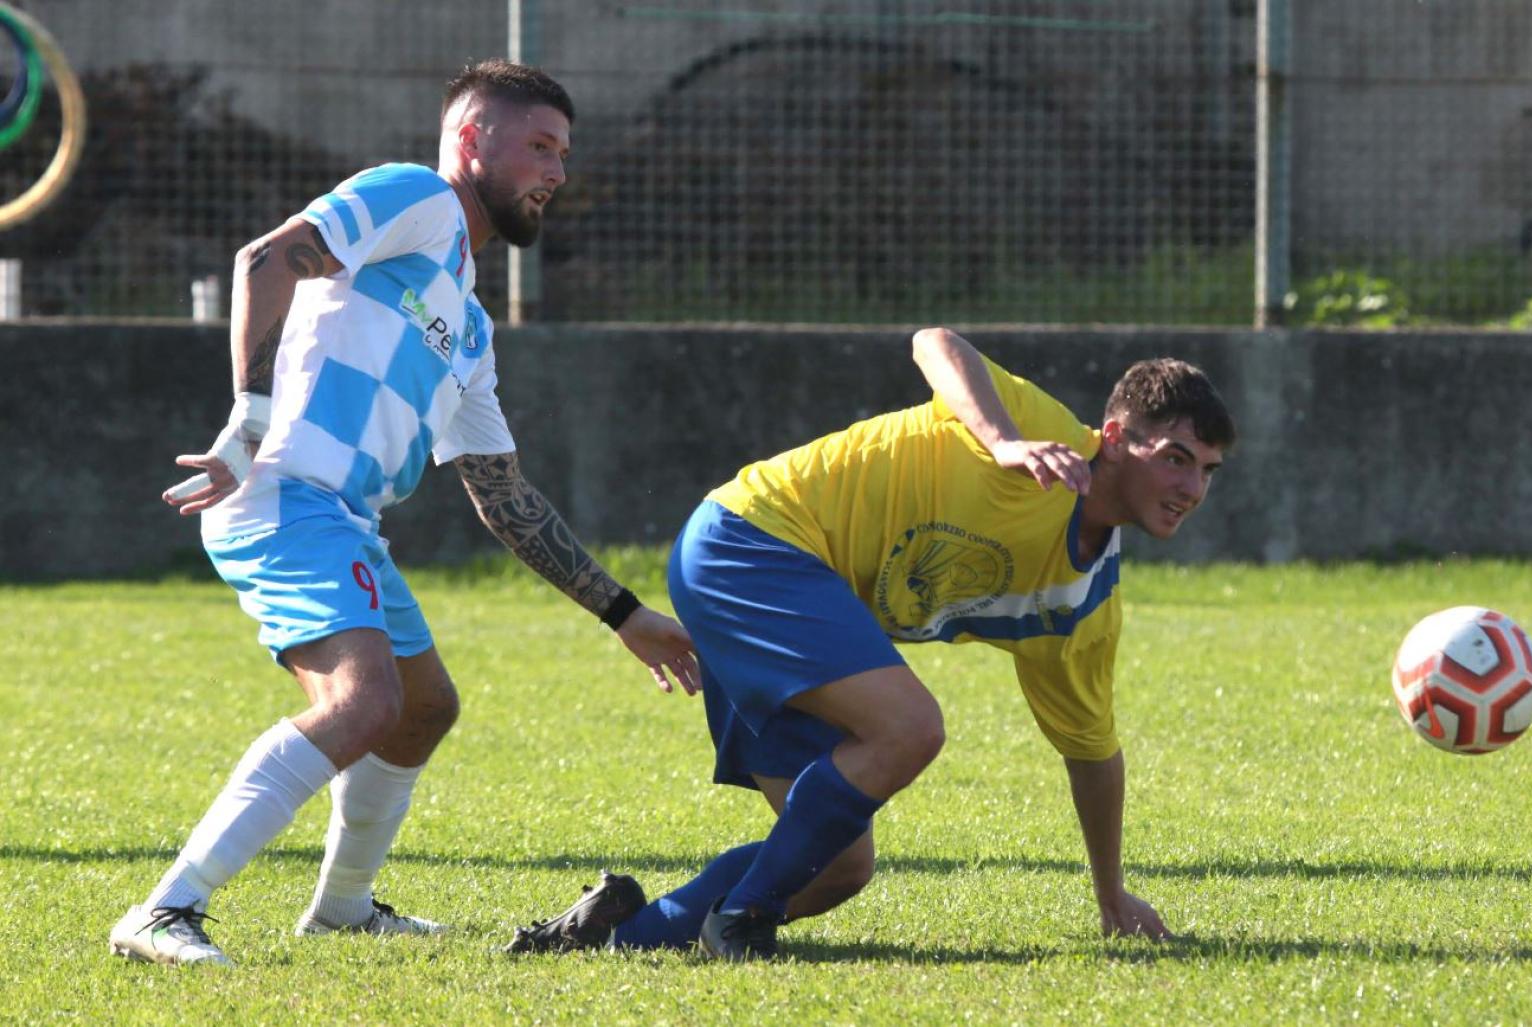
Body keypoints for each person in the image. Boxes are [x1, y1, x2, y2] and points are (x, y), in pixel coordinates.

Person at [109, 59, 699, 968]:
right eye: (539, 147)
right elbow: (266, 257)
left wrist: (625, 614)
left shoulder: (468, 325)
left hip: (346, 523)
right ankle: (164, 910)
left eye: (565, 155)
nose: (557, 173)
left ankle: (343, 908)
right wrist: (248, 422)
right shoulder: (414, 197)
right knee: (364, 700)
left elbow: (505, 497)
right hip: (283, 497)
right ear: (472, 142)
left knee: (423, 708)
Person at [507, 327, 1234, 960]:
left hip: (795, 600)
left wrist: (1111, 896)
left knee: (834, 867)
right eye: (1175, 457)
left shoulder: (1082, 603)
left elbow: (1092, 752)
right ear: (1114, 437)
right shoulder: (1042, 438)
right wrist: (1001, 439)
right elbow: (935, 341)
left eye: (1206, 469)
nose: (1192, 486)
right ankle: (741, 918)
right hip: (751, 540)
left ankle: (616, 931)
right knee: (910, 726)